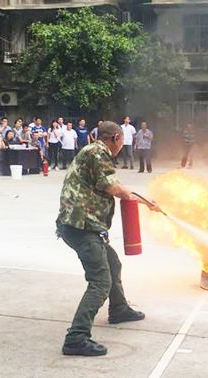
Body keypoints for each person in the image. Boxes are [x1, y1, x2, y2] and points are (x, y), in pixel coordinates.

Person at [56, 121, 162, 357]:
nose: (122, 144)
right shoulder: (98, 152)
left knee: (112, 263)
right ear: (115, 137)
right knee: (100, 281)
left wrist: (145, 203)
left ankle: (119, 309)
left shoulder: (93, 151)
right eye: (122, 140)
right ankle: (76, 338)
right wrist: (144, 202)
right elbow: (114, 187)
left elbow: (113, 186)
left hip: (82, 225)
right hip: (81, 226)